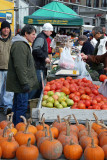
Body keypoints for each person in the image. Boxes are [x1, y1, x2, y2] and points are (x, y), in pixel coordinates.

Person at [6, 24, 39, 126]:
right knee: (21, 106)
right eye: (33, 34)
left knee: (17, 105)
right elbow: (20, 66)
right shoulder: (20, 45)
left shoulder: (22, 44)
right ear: (26, 33)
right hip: (21, 83)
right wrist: (25, 83)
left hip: (20, 82)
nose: (34, 36)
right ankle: (19, 127)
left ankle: (14, 126)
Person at [30, 23, 53, 99]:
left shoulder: (42, 37)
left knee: (39, 85)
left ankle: (35, 101)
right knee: (37, 85)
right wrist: (45, 57)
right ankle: (30, 101)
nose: (51, 33)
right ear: (46, 31)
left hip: (39, 65)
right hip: (38, 65)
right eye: (50, 31)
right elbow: (36, 50)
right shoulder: (41, 38)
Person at [0, 20, 14, 115]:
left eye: (7, 28)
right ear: (1, 29)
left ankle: (8, 107)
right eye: (4, 28)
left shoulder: (12, 41)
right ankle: (1, 106)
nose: (6, 30)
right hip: (0, 69)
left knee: (9, 91)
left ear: (9, 30)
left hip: (10, 69)